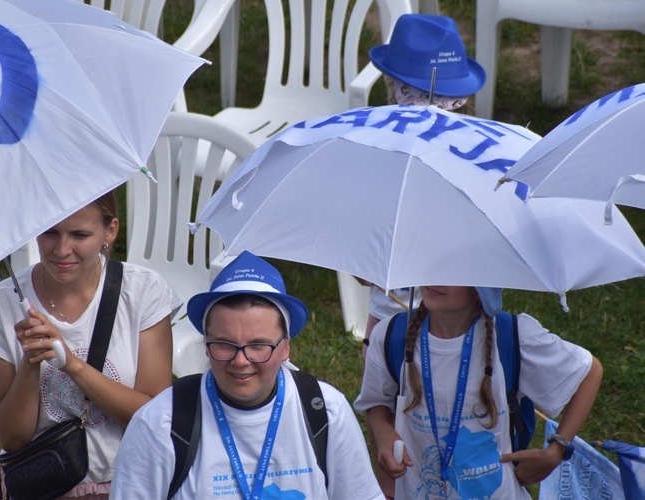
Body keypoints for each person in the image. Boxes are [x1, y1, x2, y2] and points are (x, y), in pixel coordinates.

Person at [110, 250, 383, 499]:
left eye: (258, 346)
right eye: (225, 344)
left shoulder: (325, 413)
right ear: (205, 343)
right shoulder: (160, 424)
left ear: (286, 346)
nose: (241, 361)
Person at [0, 190, 182, 498]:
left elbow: (154, 417)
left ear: (111, 231)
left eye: (80, 235)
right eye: (49, 232)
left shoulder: (144, 292)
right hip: (45, 486)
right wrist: (30, 363)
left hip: (131, 482)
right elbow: (12, 439)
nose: (62, 249)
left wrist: (73, 365)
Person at [354, 286, 603, 499]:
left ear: (482, 286)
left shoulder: (512, 336)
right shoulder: (389, 336)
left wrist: (556, 451)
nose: (436, 278)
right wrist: (384, 431)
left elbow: (590, 372)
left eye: (453, 271)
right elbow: (376, 402)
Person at [359, 13, 487, 359]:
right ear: (460, 95)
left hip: (394, 320)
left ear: (391, 85)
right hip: (461, 322)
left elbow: (364, 274)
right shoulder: (483, 159)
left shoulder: (375, 155)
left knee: (385, 400)